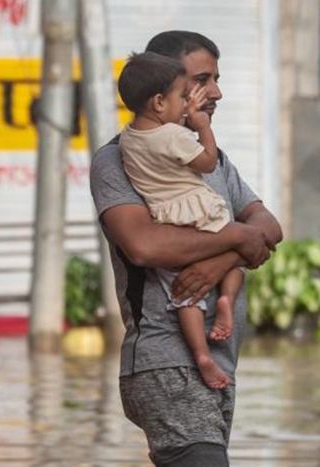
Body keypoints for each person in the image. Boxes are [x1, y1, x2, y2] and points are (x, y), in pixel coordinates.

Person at [37, 31, 281, 467]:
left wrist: (229, 248)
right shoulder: (117, 160)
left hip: (213, 365)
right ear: (161, 93)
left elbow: (269, 229)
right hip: (166, 359)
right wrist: (238, 242)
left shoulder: (212, 156)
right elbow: (144, 246)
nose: (214, 93)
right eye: (200, 82)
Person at [115, 52, 244, 390]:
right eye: (182, 98)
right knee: (238, 250)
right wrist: (201, 126)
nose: (188, 104)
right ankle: (227, 299)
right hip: (200, 212)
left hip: (168, 221)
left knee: (185, 293)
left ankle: (201, 354)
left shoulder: (127, 140)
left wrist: (182, 113)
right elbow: (206, 162)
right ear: (159, 102)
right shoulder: (172, 136)